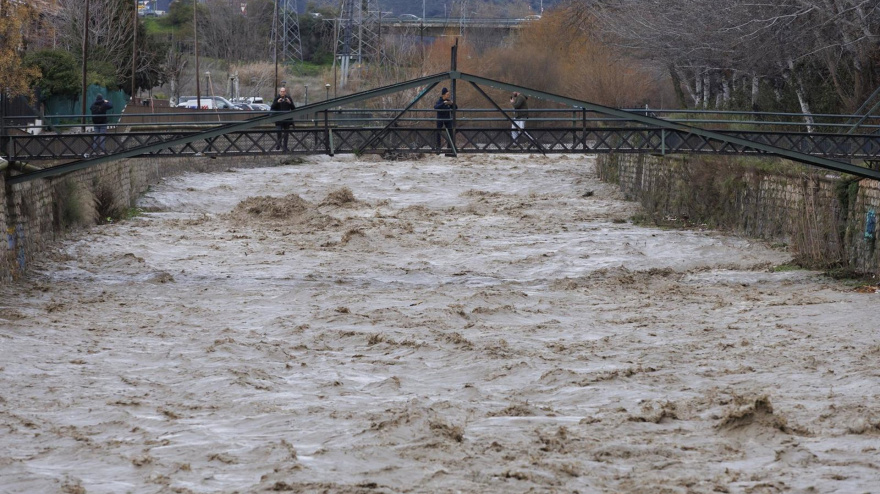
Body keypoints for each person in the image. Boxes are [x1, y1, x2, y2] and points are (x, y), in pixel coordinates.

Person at [270, 87, 296, 151]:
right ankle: (279, 145)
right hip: (279, 119)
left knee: (286, 133)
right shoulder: (277, 98)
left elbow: (294, 108)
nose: (282, 93)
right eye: (281, 91)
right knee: (279, 132)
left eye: (283, 91)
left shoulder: (288, 98)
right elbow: (272, 107)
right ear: (279, 92)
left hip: (287, 119)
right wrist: (277, 102)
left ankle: (285, 147)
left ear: (285, 92)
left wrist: (289, 102)